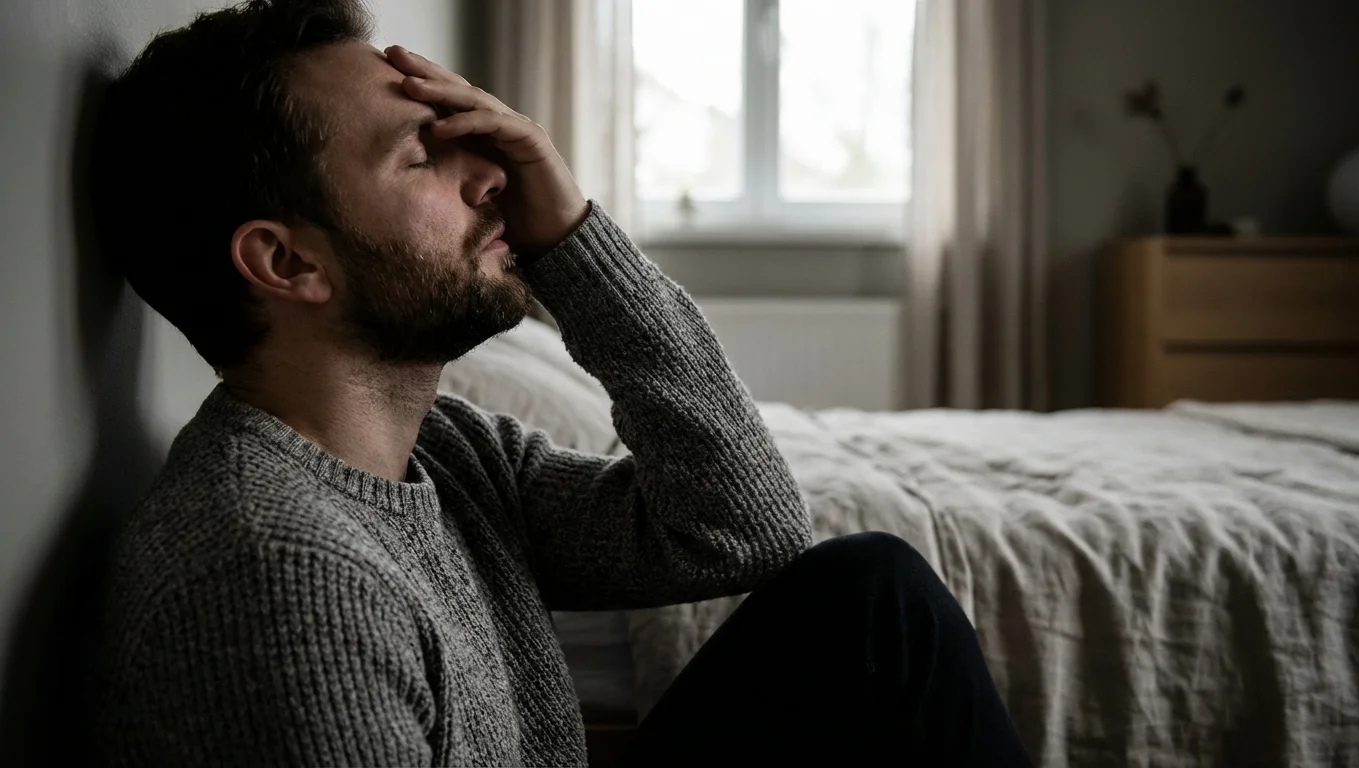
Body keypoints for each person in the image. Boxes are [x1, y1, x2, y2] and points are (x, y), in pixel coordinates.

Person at [89, 1, 1033, 765]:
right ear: (289, 262)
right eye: (421, 155)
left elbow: (738, 529)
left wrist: (573, 233)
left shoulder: (448, 454)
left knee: (875, 598)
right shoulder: (282, 577)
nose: (494, 172)